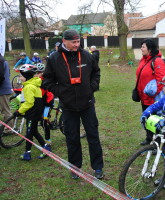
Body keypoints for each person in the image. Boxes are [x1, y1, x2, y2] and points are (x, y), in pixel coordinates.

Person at [42, 29, 104, 179]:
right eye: (74, 42)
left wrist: (92, 87)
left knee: (93, 136)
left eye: (78, 42)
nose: (77, 44)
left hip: (87, 104)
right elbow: (47, 81)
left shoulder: (87, 56)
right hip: (68, 106)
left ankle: (98, 167)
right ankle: (75, 168)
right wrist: (60, 92)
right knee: (72, 138)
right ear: (64, 41)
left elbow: (96, 72)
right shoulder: (54, 58)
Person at [13, 64, 51, 160]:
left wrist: (19, 111)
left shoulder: (28, 87)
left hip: (32, 112)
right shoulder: (33, 84)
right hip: (35, 111)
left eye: (21, 75)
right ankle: (46, 147)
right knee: (33, 131)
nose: (20, 77)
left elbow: (29, 102)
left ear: (26, 76)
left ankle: (27, 153)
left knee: (29, 132)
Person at [136, 39, 165, 146]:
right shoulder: (143, 60)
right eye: (141, 46)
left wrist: (153, 94)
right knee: (147, 119)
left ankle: (157, 143)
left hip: (153, 99)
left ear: (150, 49)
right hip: (144, 97)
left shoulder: (157, 61)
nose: (141, 48)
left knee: (155, 121)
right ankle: (149, 138)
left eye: (143, 47)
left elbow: (162, 80)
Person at [34, 63, 54, 145]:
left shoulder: (43, 81)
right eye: (35, 73)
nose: (36, 75)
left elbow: (40, 94)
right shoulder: (34, 80)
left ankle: (48, 140)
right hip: (41, 103)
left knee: (43, 121)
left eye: (38, 73)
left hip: (48, 103)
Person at [0, 53, 13, 131]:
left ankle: (9, 129)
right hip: (3, 88)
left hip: (2, 89)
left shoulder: (0, 61)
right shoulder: (2, 59)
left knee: (5, 110)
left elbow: (0, 76)